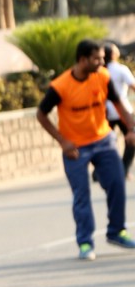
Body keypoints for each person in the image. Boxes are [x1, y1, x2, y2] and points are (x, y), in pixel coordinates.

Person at [35, 39, 135, 261]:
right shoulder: (60, 86)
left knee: (117, 183)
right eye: (97, 59)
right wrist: (63, 141)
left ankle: (116, 231)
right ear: (82, 60)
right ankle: (85, 243)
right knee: (82, 195)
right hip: (75, 148)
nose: (102, 62)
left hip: (103, 140)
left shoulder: (103, 77)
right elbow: (41, 114)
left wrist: (131, 128)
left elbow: (118, 103)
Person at [103, 42, 135, 179]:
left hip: (105, 113)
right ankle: (123, 169)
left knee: (104, 143)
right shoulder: (121, 69)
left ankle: (100, 172)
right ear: (114, 55)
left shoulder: (99, 71)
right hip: (122, 111)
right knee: (132, 141)